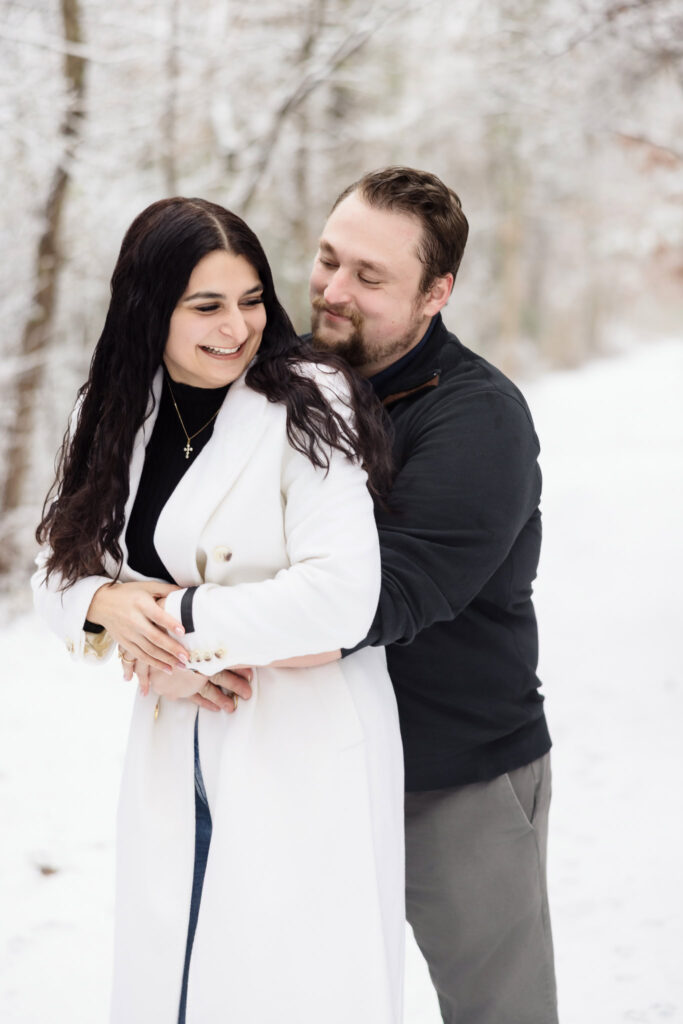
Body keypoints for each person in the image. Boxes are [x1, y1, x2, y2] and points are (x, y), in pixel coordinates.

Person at [31, 197, 405, 1024]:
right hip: (176, 746)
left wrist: (174, 631)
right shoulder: (121, 407)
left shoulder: (308, 399)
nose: (236, 327)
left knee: (283, 987)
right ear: (148, 309)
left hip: (298, 742)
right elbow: (53, 571)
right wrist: (102, 601)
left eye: (251, 300)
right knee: (178, 979)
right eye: (206, 306)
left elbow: (341, 594)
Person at [306, 167, 559, 1024]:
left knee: (498, 1011)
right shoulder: (293, 386)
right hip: (314, 764)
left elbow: (387, 593)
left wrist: (196, 630)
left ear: (436, 292)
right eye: (328, 260)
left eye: (369, 277)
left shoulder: (476, 416)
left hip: (453, 780)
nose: (334, 291)